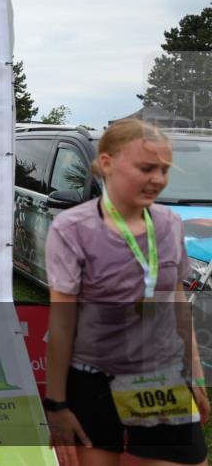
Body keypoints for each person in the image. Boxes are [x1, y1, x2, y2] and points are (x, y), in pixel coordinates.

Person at [45, 119, 210, 466]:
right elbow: (61, 325)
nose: (158, 180)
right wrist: (57, 404)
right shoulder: (71, 229)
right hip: (94, 381)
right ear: (106, 163)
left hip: (160, 376)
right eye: (146, 168)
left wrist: (193, 374)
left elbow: (177, 303)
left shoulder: (168, 224)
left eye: (164, 170)